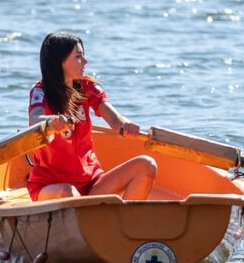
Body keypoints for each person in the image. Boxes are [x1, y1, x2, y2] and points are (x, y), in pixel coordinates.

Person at [26, 31, 157, 202]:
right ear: (60, 62)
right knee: (68, 192)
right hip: (51, 187)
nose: (85, 61)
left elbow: (116, 121)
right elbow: (35, 119)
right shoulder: (40, 91)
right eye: (78, 57)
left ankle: (126, 224)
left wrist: (127, 125)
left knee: (146, 165)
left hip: (92, 184)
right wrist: (50, 122)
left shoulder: (88, 87)